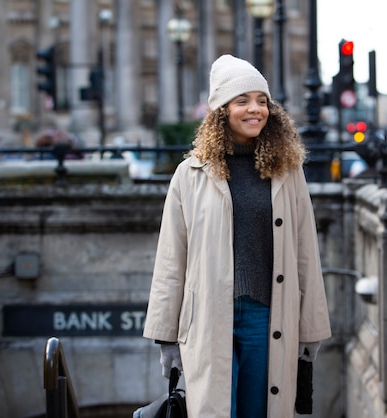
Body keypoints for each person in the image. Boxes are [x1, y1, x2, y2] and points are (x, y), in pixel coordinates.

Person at [143, 54, 332, 418]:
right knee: (215, 410)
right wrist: (165, 334)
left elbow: (306, 251)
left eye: (262, 101)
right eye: (243, 100)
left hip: (267, 314)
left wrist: (311, 327)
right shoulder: (190, 174)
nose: (255, 109)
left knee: (258, 409)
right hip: (208, 315)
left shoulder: (288, 172)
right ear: (221, 110)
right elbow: (171, 256)